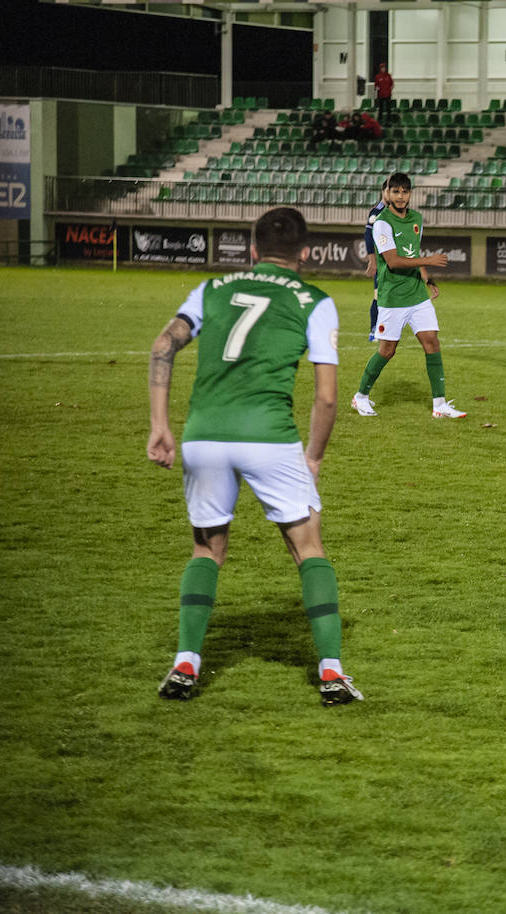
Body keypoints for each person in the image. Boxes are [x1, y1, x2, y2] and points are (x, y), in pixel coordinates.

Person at [147, 207, 362, 705]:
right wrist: (313, 456)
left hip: (204, 436)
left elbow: (163, 345)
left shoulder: (212, 289)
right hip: (269, 436)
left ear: (251, 249)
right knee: (308, 547)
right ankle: (331, 672)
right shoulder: (316, 300)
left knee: (207, 549)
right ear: (305, 254)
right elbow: (327, 397)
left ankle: (186, 662)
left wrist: (161, 425)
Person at [351, 173, 463, 420]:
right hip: (393, 298)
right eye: (396, 192)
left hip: (416, 295)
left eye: (405, 191)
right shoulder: (382, 222)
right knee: (387, 350)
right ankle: (360, 397)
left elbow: (412, 253)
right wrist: (430, 260)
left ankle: (440, 404)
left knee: (431, 342)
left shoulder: (416, 219)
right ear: (387, 194)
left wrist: (427, 277)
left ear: (410, 194)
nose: (400, 197)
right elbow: (392, 262)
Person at [362, 179, 391, 343]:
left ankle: (388, 328)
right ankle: (374, 329)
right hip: (382, 262)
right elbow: (368, 236)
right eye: (389, 190)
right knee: (378, 297)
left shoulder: (396, 212)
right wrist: (372, 260)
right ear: (383, 192)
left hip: (394, 261)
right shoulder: (377, 212)